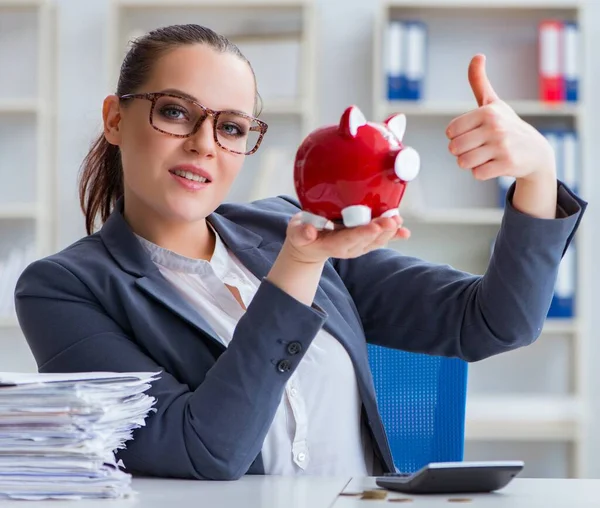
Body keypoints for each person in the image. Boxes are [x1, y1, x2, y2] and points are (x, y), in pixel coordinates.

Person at [14, 24, 585, 481]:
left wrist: (537, 172)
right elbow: (203, 449)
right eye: (175, 112)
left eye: (232, 128)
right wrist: (298, 267)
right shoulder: (63, 288)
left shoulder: (284, 225)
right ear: (116, 118)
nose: (204, 144)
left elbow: (496, 322)